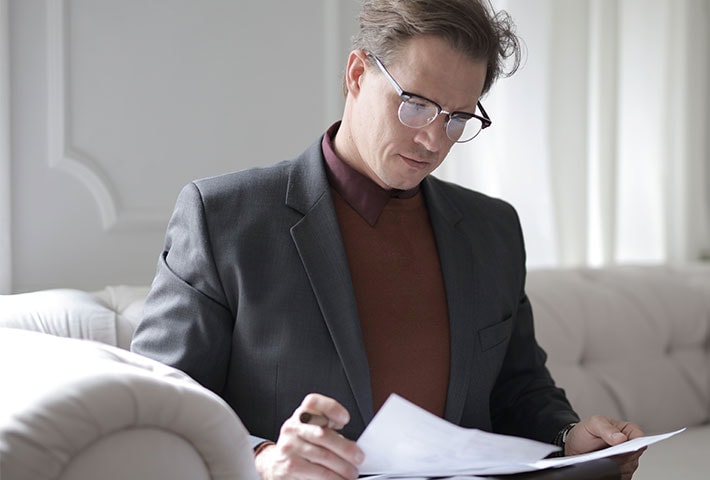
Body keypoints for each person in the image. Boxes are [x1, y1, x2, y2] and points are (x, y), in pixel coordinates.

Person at [131, 0, 646, 479]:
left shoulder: (493, 229)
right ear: (357, 74)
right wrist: (265, 459)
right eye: (417, 105)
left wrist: (569, 436)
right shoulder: (223, 218)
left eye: (458, 118)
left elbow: (518, 387)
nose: (433, 140)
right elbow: (158, 408)